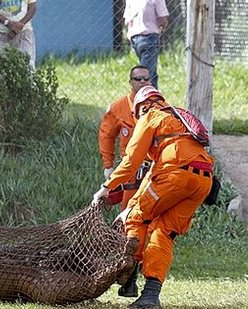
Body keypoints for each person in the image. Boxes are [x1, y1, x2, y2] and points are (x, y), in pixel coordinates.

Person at [92, 85, 214, 308]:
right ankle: (150, 295)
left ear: (141, 106)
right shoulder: (176, 119)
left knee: (136, 218)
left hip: (174, 173)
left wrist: (106, 187)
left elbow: (131, 162)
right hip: (203, 180)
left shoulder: (150, 115)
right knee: (163, 231)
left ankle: (129, 277)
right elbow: (153, 174)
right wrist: (131, 201)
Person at [98, 65, 152, 211]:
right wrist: (108, 165)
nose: (142, 81)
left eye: (146, 79)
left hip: (154, 168)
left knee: (153, 212)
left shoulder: (158, 105)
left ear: (150, 82)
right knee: (128, 212)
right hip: (131, 169)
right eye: (138, 78)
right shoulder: (119, 107)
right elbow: (106, 136)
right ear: (130, 82)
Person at [124, 0, 168, 89]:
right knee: (146, 75)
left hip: (135, 39)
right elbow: (162, 18)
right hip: (150, 37)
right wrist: (163, 27)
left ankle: (155, 99)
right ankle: (143, 98)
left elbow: (127, 21)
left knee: (151, 72)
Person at [0, 0, 36, 69]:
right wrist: (8, 23)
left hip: (24, 31)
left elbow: (32, 6)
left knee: (27, 66)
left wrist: (20, 25)